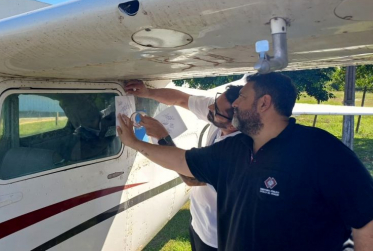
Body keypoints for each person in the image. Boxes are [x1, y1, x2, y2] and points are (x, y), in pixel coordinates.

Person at [118, 73, 373, 251]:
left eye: (242, 97)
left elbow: (366, 219)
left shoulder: (322, 150)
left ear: (264, 103)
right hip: (205, 232)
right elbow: (183, 161)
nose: (236, 104)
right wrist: (135, 143)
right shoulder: (235, 148)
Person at [124, 80, 242, 251]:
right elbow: (181, 99)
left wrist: (160, 137)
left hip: (217, 237)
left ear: (233, 124)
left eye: (216, 109)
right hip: (199, 223)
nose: (209, 108)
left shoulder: (235, 151)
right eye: (215, 102)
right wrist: (148, 92)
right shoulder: (220, 112)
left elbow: (190, 177)